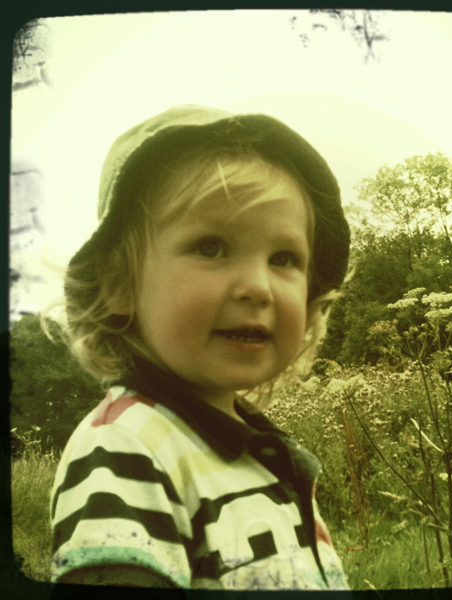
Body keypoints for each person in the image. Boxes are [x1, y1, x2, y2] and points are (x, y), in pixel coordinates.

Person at [48, 105, 351, 590]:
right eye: (211, 247)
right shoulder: (125, 448)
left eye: (283, 258)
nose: (259, 287)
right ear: (118, 284)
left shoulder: (255, 448)